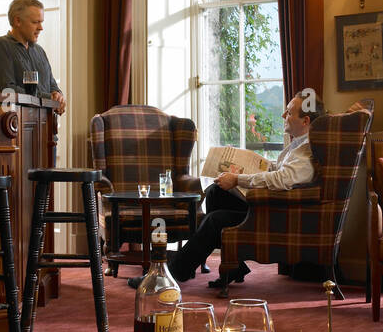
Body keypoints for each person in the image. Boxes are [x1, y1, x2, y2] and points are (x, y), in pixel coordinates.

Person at [128, 92, 325, 289]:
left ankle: (173, 273)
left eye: (289, 113)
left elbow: (283, 179)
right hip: (273, 206)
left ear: (305, 120)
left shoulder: (307, 150)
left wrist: (239, 179)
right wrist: (248, 163)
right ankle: (234, 267)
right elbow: (281, 172)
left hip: (278, 215)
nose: (283, 115)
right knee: (216, 191)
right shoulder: (297, 146)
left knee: (215, 220)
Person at [0, 0, 66, 115]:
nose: (41, 28)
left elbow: (52, 86)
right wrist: (48, 98)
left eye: (41, 22)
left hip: (47, 127)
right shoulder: (0, 46)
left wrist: (58, 97)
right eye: (35, 22)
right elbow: (6, 91)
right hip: (18, 126)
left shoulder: (40, 51)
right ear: (17, 21)